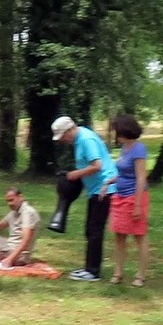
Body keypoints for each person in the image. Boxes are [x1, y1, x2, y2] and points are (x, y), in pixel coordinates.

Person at [52, 115, 115, 282]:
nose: (63, 140)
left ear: (70, 130)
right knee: (90, 229)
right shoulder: (79, 140)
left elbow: (97, 166)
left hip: (104, 188)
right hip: (95, 190)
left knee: (95, 230)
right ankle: (89, 267)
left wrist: (77, 174)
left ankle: (93, 272)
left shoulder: (86, 139)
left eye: (63, 136)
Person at [99, 114, 151, 287]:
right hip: (120, 196)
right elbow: (123, 173)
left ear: (126, 131)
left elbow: (141, 177)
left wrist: (137, 205)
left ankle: (140, 275)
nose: (116, 135)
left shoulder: (139, 149)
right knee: (119, 235)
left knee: (139, 235)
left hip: (135, 197)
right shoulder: (124, 148)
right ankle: (118, 272)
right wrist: (108, 183)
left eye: (118, 131)